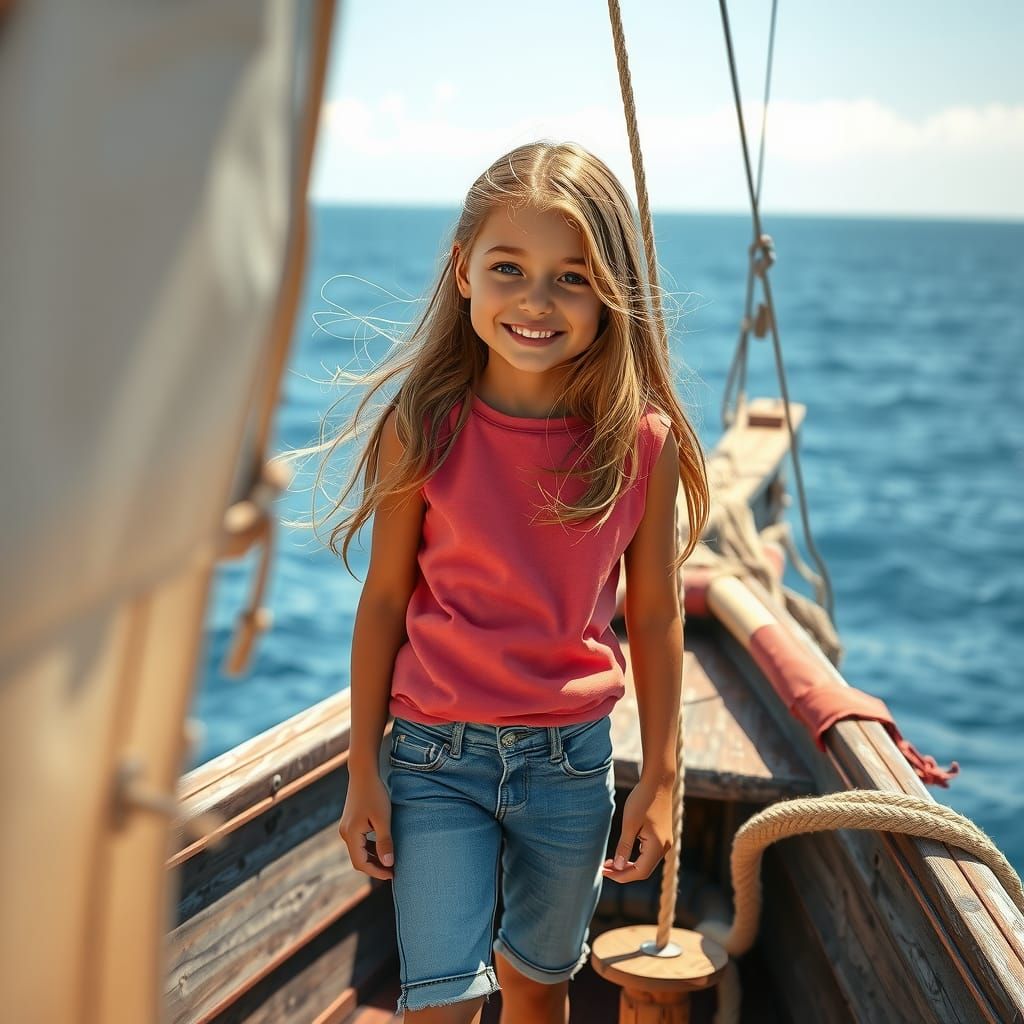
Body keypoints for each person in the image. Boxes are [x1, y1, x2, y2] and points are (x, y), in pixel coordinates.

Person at [327, 141, 709, 1023]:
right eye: (509, 268)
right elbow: (383, 603)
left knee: (539, 983)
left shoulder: (640, 442)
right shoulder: (422, 426)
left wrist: (661, 773)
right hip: (433, 760)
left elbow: (655, 615)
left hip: (569, 765)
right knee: (440, 1001)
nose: (536, 301)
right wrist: (362, 768)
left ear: (611, 292)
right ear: (463, 270)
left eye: (571, 278)